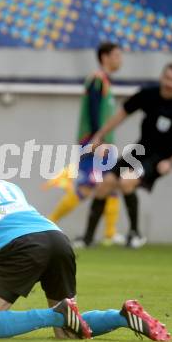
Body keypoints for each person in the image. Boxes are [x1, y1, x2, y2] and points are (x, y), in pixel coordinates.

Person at [0, 163, 171, 341]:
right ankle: (122, 317)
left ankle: (55, 314)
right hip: (58, 240)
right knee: (69, 331)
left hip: (21, 247)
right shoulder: (7, 186)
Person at [78, 63, 172, 248]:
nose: (169, 83)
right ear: (161, 77)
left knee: (126, 181)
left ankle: (135, 234)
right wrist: (99, 135)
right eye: (167, 78)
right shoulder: (147, 94)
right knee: (105, 183)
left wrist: (171, 162)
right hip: (139, 150)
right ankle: (87, 239)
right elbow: (122, 114)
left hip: (160, 158)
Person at [42, 42, 123, 246]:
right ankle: (46, 225)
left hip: (103, 142)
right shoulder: (97, 79)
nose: (120, 59)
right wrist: (99, 138)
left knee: (111, 184)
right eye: (116, 55)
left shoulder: (105, 81)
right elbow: (94, 110)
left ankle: (109, 235)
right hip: (95, 142)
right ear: (104, 57)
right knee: (88, 187)